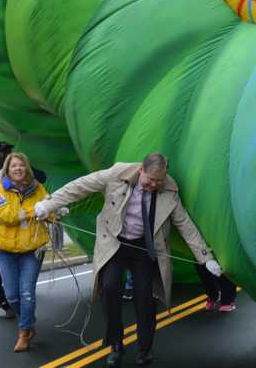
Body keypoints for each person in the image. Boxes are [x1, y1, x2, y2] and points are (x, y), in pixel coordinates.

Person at [35, 153, 222, 367]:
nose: (154, 184)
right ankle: (115, 344)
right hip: (115, 242)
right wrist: (48, 204)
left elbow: (185, 225)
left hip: (144, 246)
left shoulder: (169, 191)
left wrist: (205, 258)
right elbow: (80, 186)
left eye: (158, 181)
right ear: (141, 170)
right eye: (150, 179)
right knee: (110, 286)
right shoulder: (117, 173)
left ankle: (145, 349)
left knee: (145, 299)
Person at [0, 142, 47, 318]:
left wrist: (23, 169)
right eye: (2, 152)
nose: (7, 155)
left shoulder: (17, 167)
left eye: (9, 152)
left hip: (22, 230)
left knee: (20, 268)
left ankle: (20, 304)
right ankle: (0, 297)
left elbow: (41, 178)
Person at [0, 152, 51, 353]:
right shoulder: (0, 189)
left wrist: (52, 213)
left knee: (27, 293)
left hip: (32, 250)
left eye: (21, 165)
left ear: (27, 168)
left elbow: (49, 207)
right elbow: (1, 213)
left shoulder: (38, 189)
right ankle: (29, 321)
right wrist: (30, 212)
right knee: (12, 295)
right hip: (6, 251)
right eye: (14, 166)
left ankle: (24, 332)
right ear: (8, 169)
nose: (18, 169)